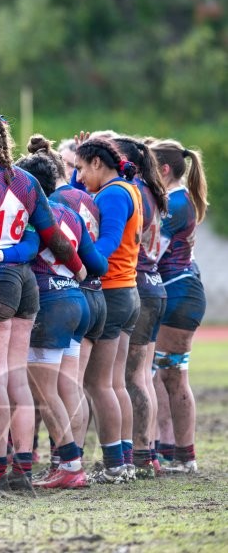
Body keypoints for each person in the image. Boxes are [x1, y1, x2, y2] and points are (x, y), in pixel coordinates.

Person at [0, 112, 85, 490]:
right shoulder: (28, 181)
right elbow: (48, 236)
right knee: (16, 377)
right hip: (27, 281)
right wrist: (79, 270)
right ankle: (23, 468)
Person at [15, 150, 107, 489]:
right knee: (69, 387)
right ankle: (71, 460)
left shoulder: (28, 212)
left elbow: (23, 252)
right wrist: (77, 271)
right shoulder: (69, 212)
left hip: (49, 304)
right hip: (77, 300)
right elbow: (98, 265)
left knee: (44, 391)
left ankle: (69, 465)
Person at [73, 136, 142, 484]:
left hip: (113, 291)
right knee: (115, 383)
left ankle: (115, 463)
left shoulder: (114, 193)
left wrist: (81, 262)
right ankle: (124, 460)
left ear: (98, 164)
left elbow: (108, 242)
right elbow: (80, 196)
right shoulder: (128, 188)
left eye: (82, 167)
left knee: (98, 384)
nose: (80, 176)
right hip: (127, 291)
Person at [151, 139, 208, 474]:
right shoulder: (177, 199)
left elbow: (152, 252)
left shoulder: (174, 203)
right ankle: (175, 451)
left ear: (165, 169)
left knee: (171, 375)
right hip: (180, 292)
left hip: (178, 294)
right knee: (167, 374)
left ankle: (184, 456)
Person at [114, 136, 169, 479]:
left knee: (133, 376)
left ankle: (140, 452)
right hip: (154, 285)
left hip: (140, 286)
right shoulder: (149, 190)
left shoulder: (129, 191)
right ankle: (148, 452)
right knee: (142, 375)